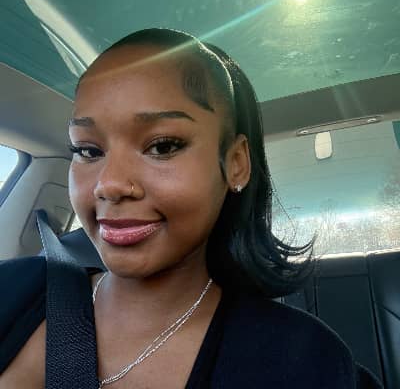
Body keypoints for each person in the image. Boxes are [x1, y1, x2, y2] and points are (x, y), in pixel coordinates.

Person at [0, 28, 382, 388]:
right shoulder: (12, 288)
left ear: (235, 163)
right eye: (88, 150)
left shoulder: (304, 361)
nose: (109, 184)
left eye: (162, 146)